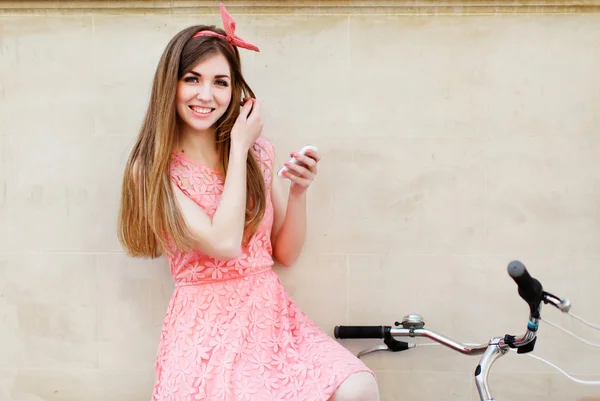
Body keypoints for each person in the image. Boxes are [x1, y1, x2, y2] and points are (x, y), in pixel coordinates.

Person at [117, 3, 379, 400]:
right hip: (208, 330)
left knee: (358, 385)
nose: (206, 95)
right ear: (170, 84)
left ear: (235, 91)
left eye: (221, 82)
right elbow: (223, 244)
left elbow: (285, 253)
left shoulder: (258, 154)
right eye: (192, 79)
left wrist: (297, 192)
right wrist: (238, 148)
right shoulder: (153, 170)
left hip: (271, 318)